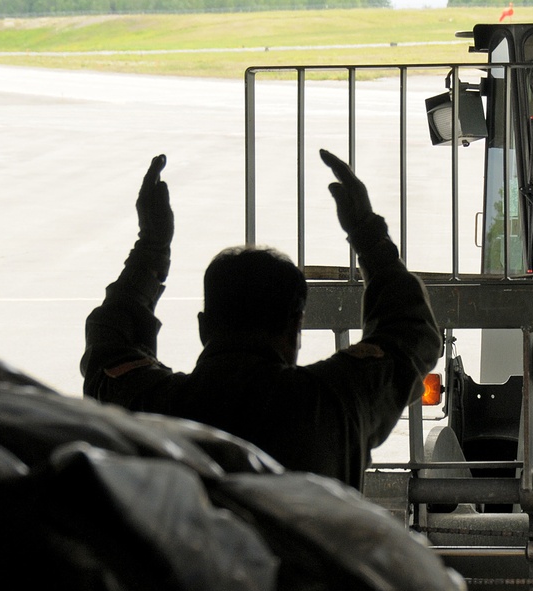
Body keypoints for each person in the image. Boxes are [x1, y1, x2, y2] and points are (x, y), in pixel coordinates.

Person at [81, 150, 442, 491]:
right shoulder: (336, 400)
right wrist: (367, 234)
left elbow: (111, 343)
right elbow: (410, 331)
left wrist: (152, 246)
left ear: (204, 327)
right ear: (294, 328)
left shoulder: (149, 407)